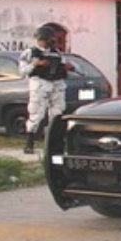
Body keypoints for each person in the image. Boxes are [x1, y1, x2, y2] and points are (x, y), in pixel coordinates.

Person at [19, 24, 74, 154]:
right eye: (46, 39)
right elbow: (22, 72)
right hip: (40, 84)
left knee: (57, 113)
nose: (47, 42)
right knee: (36, 113)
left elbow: (67, 66)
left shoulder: (57, 53)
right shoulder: (30, 53)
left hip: (56, 84)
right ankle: (29, 142)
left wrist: (68, 67)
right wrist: (35, 64)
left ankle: (54, 143)